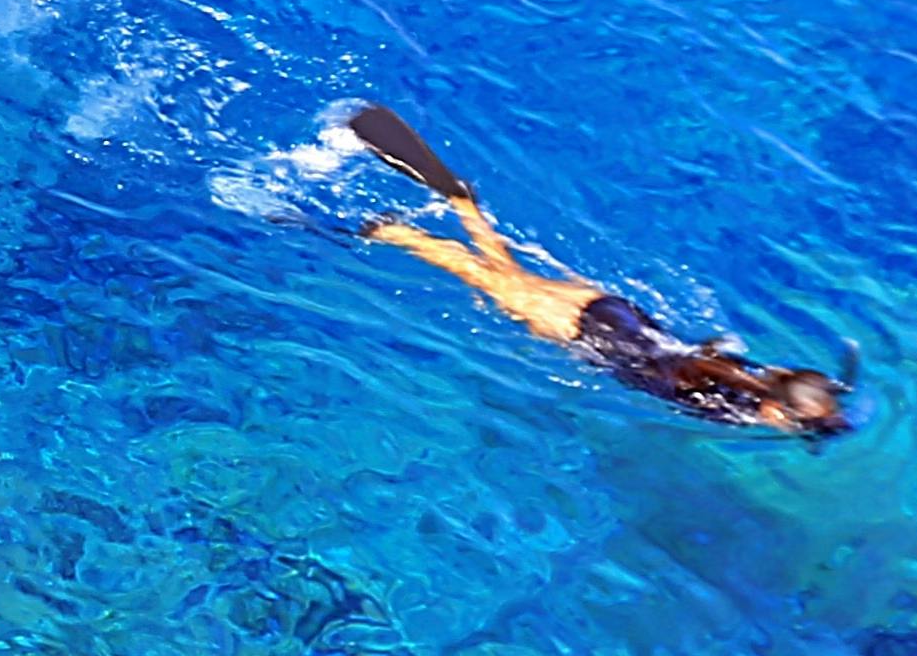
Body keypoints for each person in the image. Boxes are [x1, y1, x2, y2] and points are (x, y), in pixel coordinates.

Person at [324, 104, 850, 438]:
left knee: (504, 273)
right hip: (585, 330)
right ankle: (393, 231)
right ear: (778, 413)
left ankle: (463, 205)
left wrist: (822, 401)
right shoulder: (735, 408)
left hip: (615, 312)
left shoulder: (749, 375)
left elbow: (780, 382)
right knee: (484, 276)